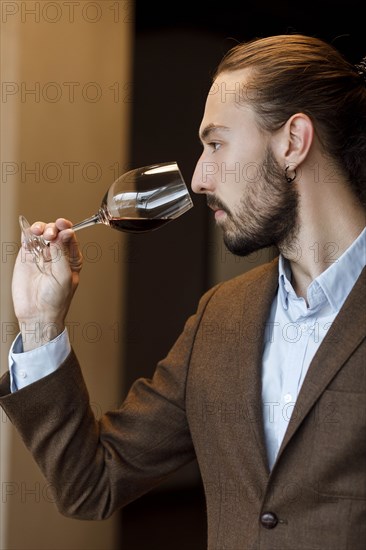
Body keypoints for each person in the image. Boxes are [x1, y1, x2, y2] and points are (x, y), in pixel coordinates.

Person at [1, 34, 365, 549]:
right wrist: (42, 327)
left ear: (293, 141)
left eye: (215, 143)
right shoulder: (221, 316)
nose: (198, 178)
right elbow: (91, 485)